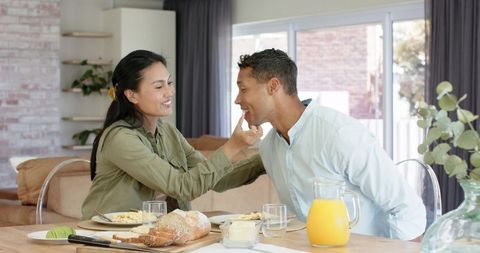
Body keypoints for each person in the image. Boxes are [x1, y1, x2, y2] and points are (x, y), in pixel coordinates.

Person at [234, 49, 426, 240]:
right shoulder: (269, 148)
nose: (237, 100)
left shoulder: (338, 134)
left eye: (243, 90)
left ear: (273, 86)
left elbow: (407, 209)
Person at [81, 49, 264, 219]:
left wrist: (266, 157)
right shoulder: (120, 138)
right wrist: (233, 146)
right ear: (132, 95)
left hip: (156, 236)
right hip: (109, 239)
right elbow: (182, 187)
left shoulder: (168, 132)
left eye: (169, 83)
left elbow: (220, 180)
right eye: (159, 87)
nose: (170, 92)